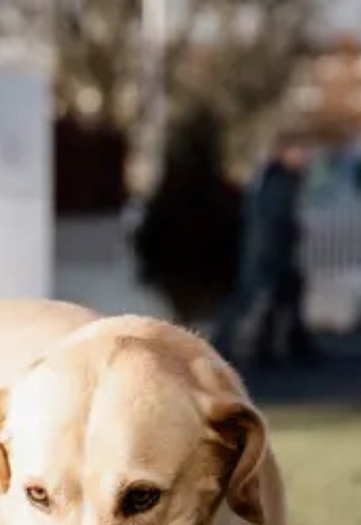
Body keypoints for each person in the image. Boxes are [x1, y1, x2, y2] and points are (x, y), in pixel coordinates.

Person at [212, 131, 323, 367]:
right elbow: (273, 219)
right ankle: (227, 345)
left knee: (283, 300)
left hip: (274, 250)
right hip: (268, 251)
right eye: (301, 152)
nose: (305, 158)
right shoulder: (278, 180)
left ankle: (280, 347)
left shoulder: (280, 178)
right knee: (254, 299)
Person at [130, 107, 244, 328]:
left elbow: (149, 233)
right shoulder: (220, 193)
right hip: (206, 276)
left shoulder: (171, 190)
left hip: (180, 276)